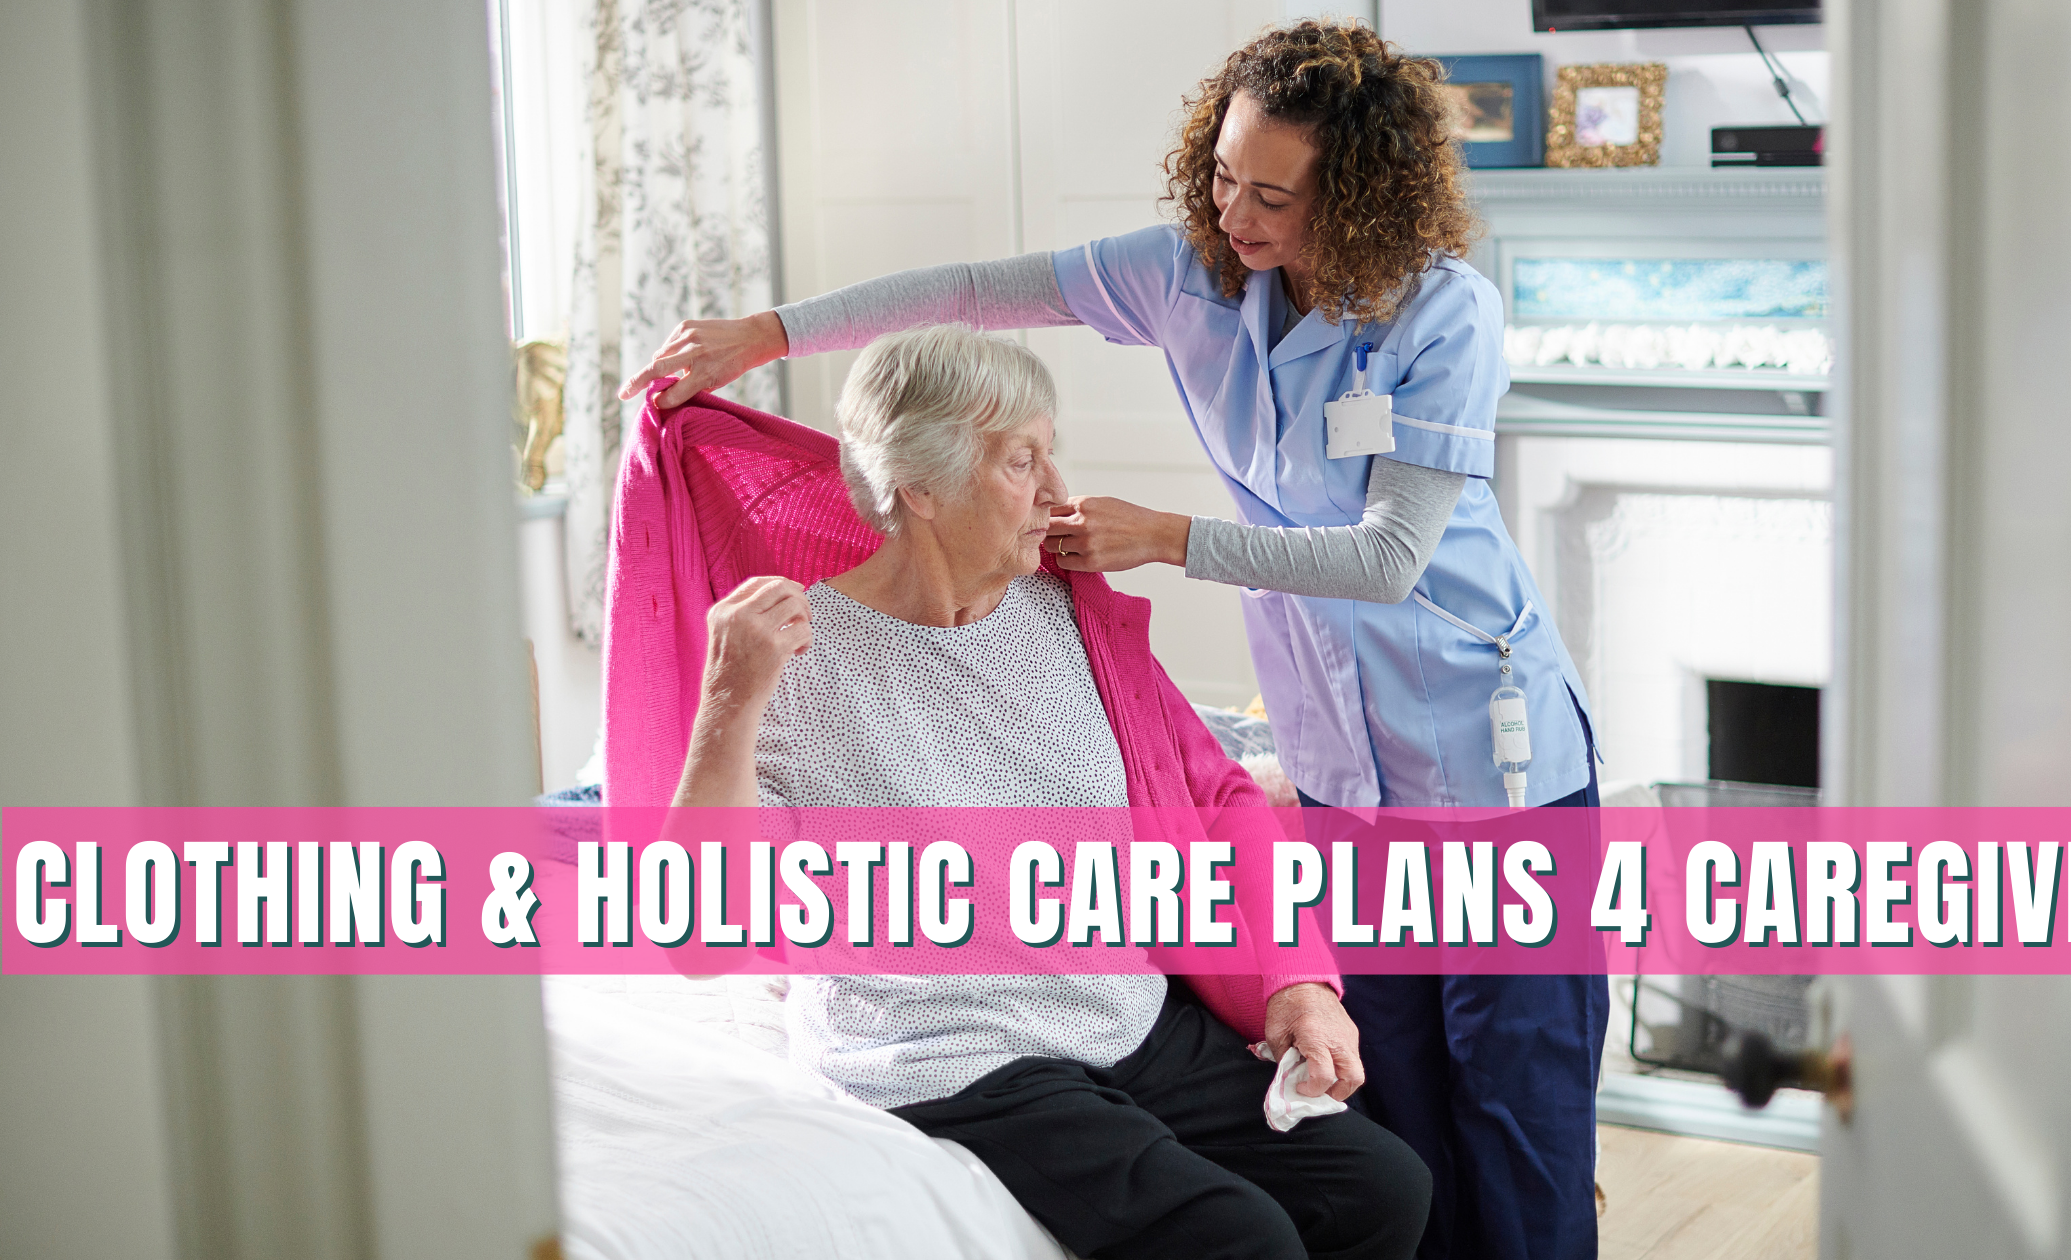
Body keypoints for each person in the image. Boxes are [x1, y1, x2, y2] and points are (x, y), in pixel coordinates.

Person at [627, 22, 1604, 1259]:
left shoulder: (1439, 314)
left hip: (1484, 745)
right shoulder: (1189, 274)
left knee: (1516, 1107)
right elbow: (975, 290)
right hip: (1335, 759)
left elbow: (1386, 560)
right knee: (1399, 1102)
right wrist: (769, 332)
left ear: (1350, 198)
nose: (1233, 214)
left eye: (1271, 195)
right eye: (1220, 176)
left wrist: (1165, 537)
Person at [670, 323, 1431, 1260]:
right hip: (952, 1051)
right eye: (1022, 461)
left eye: (1051, 454)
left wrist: (1300, 982)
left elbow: (1215, 793)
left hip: (1120, 1015)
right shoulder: (798, 660)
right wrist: (729, 697)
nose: (1059, 494)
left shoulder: (1070, 614)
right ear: (920, 484)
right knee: (1239, 1240)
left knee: (1383, 1188)